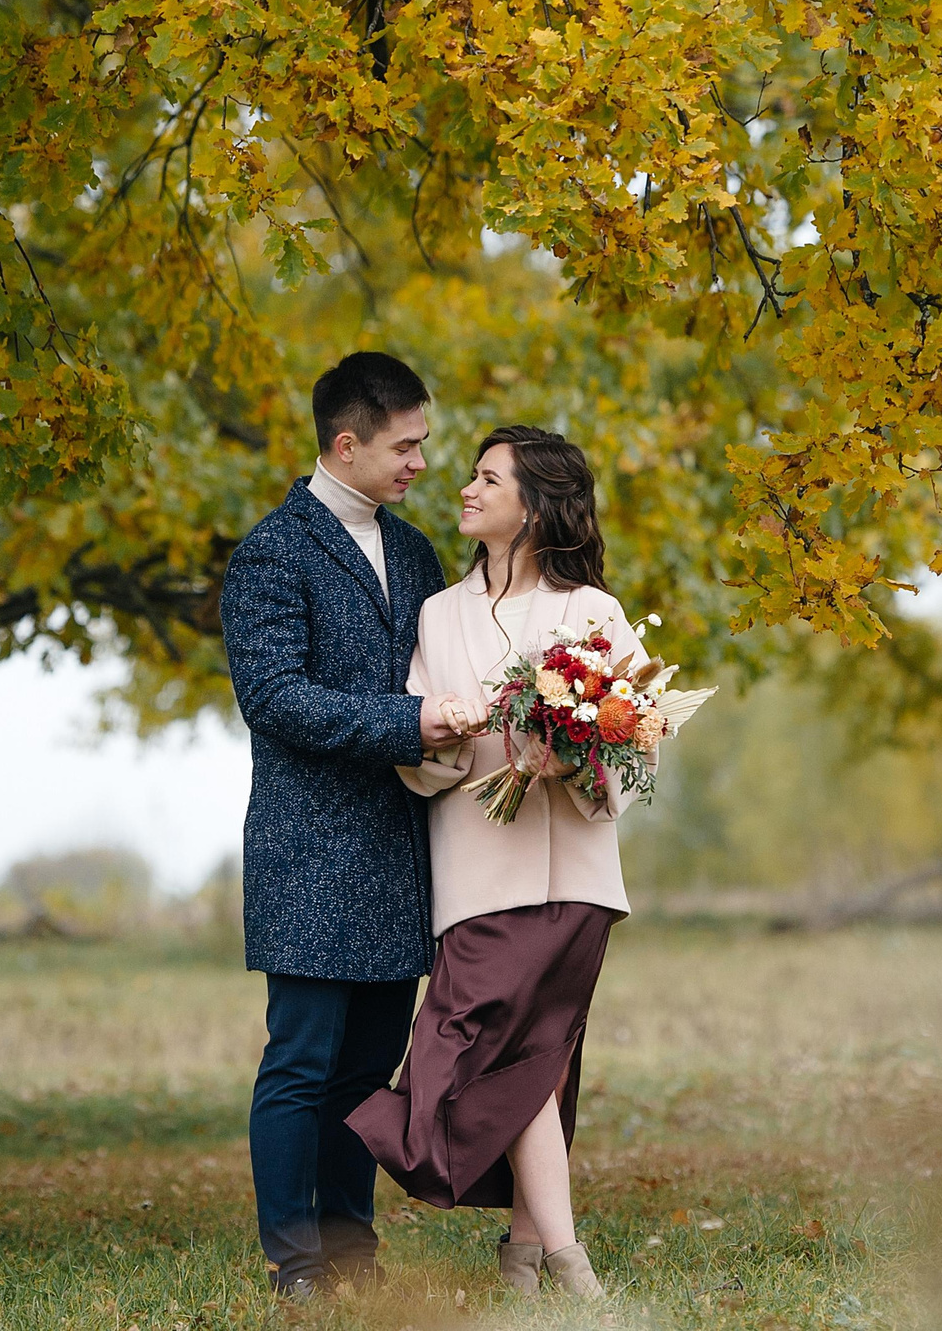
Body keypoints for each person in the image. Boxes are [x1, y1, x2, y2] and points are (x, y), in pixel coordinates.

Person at [347, 426, 654, 1301]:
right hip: (479, 879)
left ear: (534, 506)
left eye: (488, 479)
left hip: (578, 880)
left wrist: (574, 760)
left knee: (541, 1061)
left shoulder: (594, 612)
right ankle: (566, 1262)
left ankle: (530, 1255)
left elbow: (639, 740)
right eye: (472, 476)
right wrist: (441, 731)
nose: (467, 490)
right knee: (500, 1060)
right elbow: (416, 751)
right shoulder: (437, 615)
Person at [219, 352, 476, 1299]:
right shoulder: (270, 553)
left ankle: (353, 1253)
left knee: (370, 1066)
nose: (420, 462)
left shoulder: (414, 553)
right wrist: (409, 723)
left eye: (423, 443)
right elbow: (275, 698)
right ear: (346, 444)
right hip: (310, 852)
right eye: (405, 446)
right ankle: (295, 1265)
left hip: (400, 849)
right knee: (301, 1062)